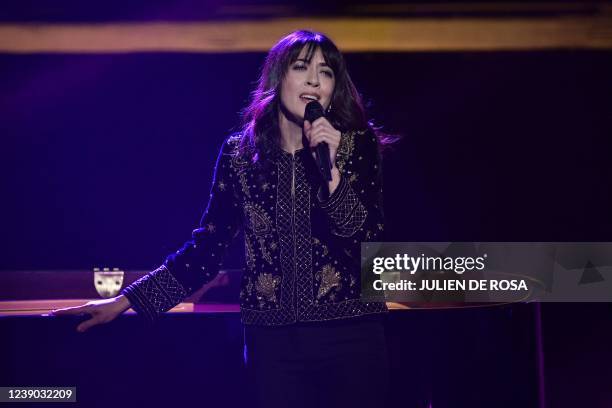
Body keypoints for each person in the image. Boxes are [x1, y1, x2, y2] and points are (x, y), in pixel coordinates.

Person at [52, 29, 395, 408]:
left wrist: (331, 173)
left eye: (327, 72)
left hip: (351, 336)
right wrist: (126, 300)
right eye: (302, 67)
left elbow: (367, 241)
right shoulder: (240, 156)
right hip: (273, 343)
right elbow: (204, 252)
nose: (315, 80)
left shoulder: (355, 145)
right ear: (279, 77)